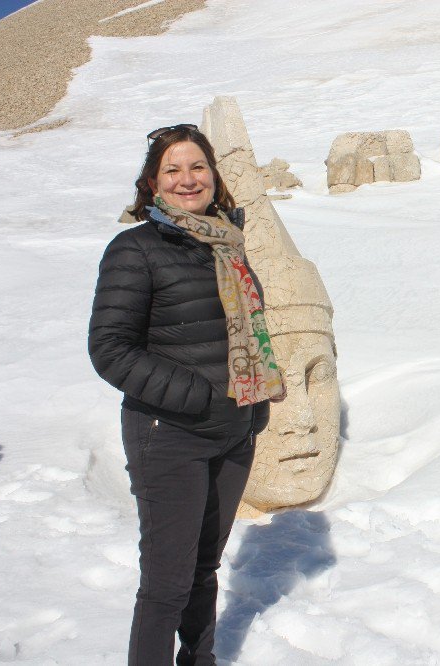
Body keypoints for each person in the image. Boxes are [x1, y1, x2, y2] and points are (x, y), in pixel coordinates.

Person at [88, 123, 286, 665]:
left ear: (214, 175)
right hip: (169, 435)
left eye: (197, 166)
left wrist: (252, 406)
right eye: (172, 169)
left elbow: (248, 335)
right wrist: (198, 396)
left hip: (233, 433)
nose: (187, 179)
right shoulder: (137, 248)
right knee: (167, 583)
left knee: (203, 569)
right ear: (153, 182)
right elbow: (110, 348)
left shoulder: (227, 243)